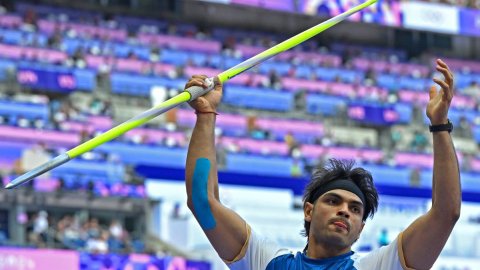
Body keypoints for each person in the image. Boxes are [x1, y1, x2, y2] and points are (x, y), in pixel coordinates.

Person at [184, 59, 460, 269]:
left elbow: (446, 213)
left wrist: (440, 125)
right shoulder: (268, 262)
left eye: (355, 209)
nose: (344, 212)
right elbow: (202, 201)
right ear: (308, 210)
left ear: (361, 228)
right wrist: (206, 114)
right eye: (333, 201)